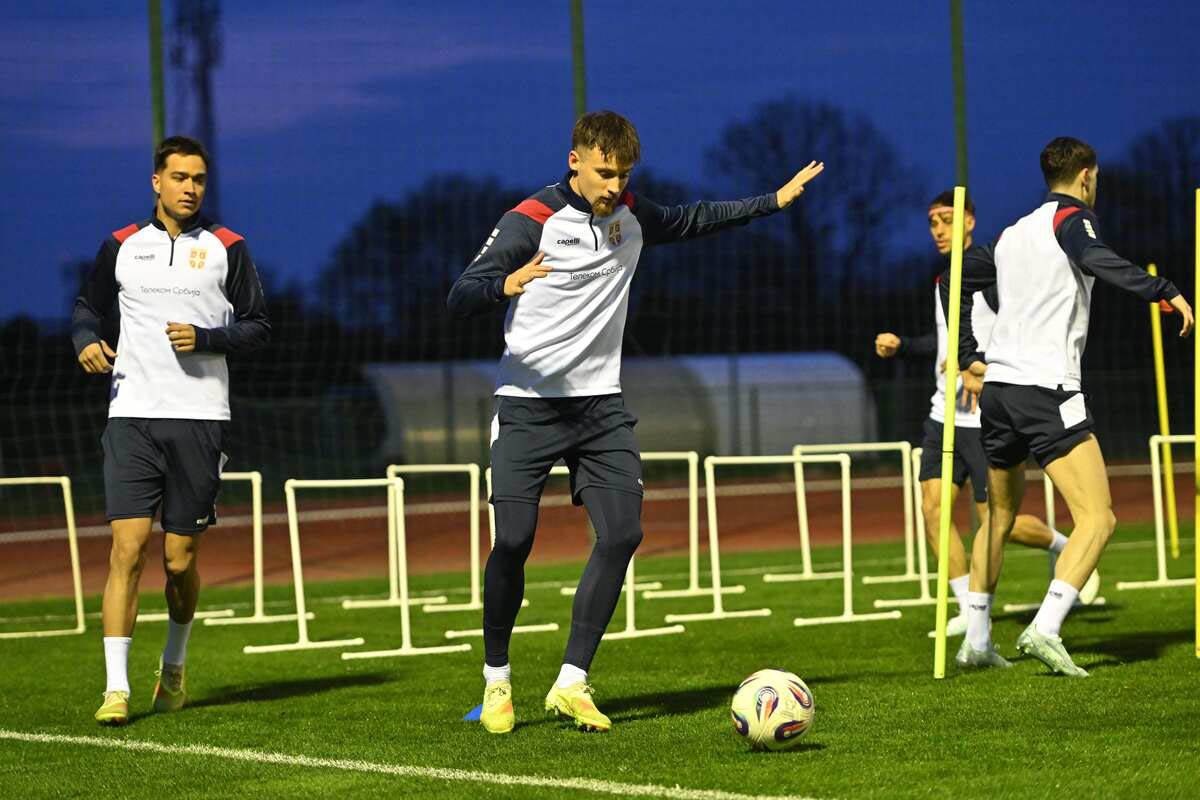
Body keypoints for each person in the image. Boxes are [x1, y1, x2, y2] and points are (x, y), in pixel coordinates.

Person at [447, 111, 823, 733]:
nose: (613, 185)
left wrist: (773, 201)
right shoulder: (530, 221)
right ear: (574, 161)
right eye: (602, 173)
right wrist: (503, 285)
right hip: (527, 407)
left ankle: (572, 682)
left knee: (622, 533)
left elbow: (698, 217)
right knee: (513, 539)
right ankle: (496, 681)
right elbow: (460, 294)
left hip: (601, 410)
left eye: (622, 174)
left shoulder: (633, 216)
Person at [945, 136, 1192, 675]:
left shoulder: (1012, 233)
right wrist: (1162, 289)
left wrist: (968, 355)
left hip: (1000, 395)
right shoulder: (1071, 221)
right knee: (1098, 518)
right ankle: (1047, 627)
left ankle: (979, 641)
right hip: (1046, 391)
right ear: (1086, 176)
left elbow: (953, 277)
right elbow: (1096, 258)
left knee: (999, 518)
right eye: (1095, 178)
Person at [73, 135, 270, 724]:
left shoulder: (227, 247)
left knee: (179, 561)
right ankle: (115, 689)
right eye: (179, 177)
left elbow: (259, 326)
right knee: (126, 550)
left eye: (199, 179)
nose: (190, 188)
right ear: (156, 181)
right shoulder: (121, 245)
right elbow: (87, 306)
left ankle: (175, 665)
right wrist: (85, 340)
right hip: (131, 412)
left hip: (201, 418)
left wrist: (207, 338)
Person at [874, 192, 1093, 639]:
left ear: (970, 222)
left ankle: (1061, 545)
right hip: (943, 415)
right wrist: (904, 347)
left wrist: (983, 372)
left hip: (982, 418)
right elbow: (945, 345)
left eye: (946, 219)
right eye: (932, 221)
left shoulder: (991, 273)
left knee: (996, 523)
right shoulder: (944, 279)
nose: (937, 228)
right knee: (933, 510)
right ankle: (968, 612)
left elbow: (1016, 335)